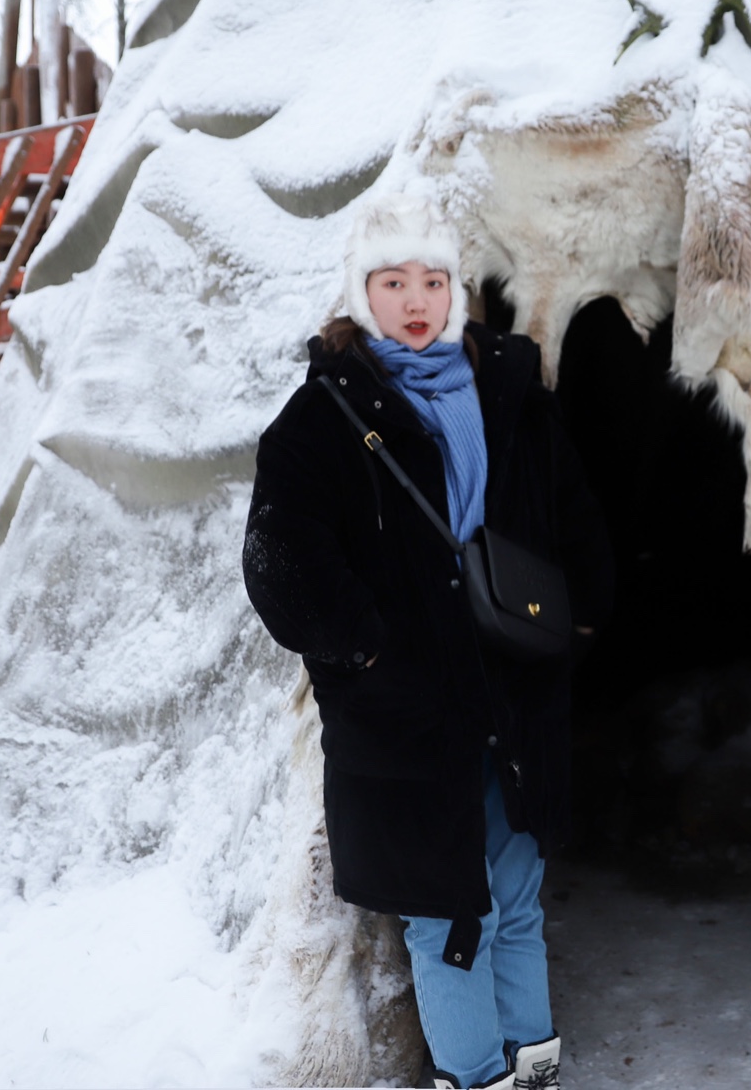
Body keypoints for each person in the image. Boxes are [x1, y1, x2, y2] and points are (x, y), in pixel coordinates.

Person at [242, 194, 612, 1090]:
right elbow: (278, 559)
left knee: (517, 897)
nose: (417, 300)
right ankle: (473, 1076)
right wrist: (366, 651)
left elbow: (576, 518)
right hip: (404, 710)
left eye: (434, 281)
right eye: (394, 281)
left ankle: (534, 1068)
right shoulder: (323, 415)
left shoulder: (509, 394)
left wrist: (579, 620)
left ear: (457, 290)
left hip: (510, 692)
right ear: (362, 294)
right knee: (448, 915)